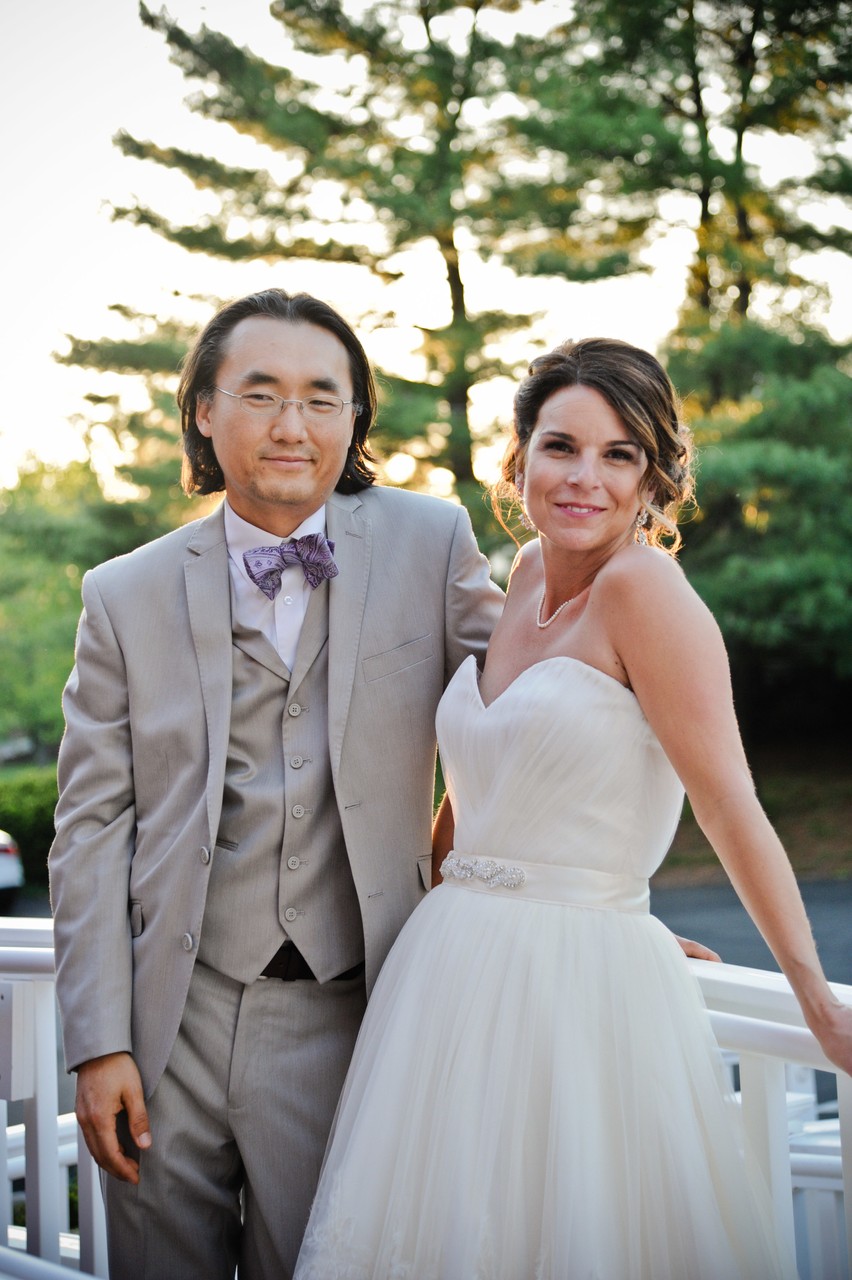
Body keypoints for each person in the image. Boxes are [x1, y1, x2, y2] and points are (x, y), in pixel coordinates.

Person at [294, 337, 852, 1280]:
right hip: (446, 971)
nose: (585, 477)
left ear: (652, 479)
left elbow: (730, 804)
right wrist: (539, 878)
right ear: (520, 461)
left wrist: (814, 999)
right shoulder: (518, 581)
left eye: (619, 453)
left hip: (570, 987)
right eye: (561, 447)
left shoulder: (645, 591)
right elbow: (482, 782)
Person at [47, 286, 506, 1280]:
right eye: (260, 394)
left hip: (354, 1013)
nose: (292, 425)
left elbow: (530, 710)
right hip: (170, 1016)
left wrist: (584, 890)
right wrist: (97, 1041)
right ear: (204, 412)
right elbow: (87, 827)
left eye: (321, 397)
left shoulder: (431, 543)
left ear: (355, 416)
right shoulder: (121, 593)